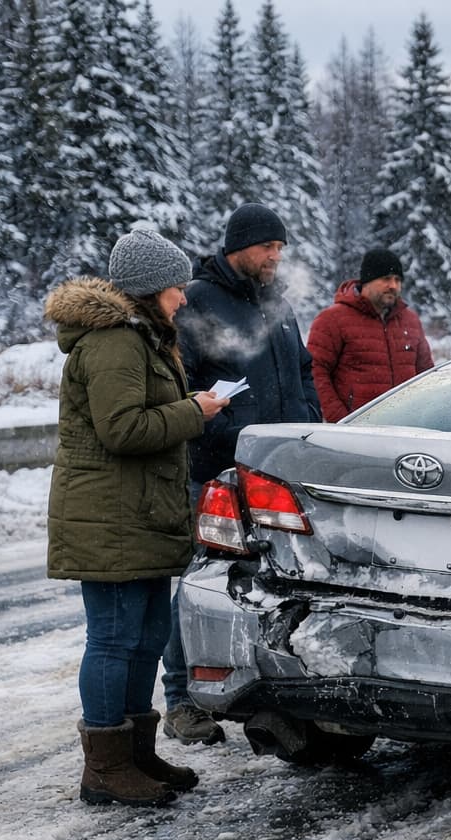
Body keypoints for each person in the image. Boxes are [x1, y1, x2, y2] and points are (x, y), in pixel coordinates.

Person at [44, 229, 231, 805]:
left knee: (146, 634)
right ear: (152, 289)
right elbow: (123, 430)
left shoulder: (144, 338)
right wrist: (194, 411)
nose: (183, 297)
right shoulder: (114, 344)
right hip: (110, 516)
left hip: (138, 512)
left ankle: (135, 754)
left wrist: (186, 407)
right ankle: (103, 767)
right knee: (114, 637)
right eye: (177, 287)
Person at [159, 203, 323, 744]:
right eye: (267, 247)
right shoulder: (199, 302)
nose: (276, 256)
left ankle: (265, 689)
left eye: (280, 248)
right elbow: (178, 382)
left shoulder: (277, 299)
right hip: (218, 469)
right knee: (200, 582)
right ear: (239, 247)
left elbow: (301, 369)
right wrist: (219, 433)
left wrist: (312, 426)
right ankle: (183, 699)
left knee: (276, 580)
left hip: (281, 469)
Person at [307, 248, 434, 421]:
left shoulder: (410, 321)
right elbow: (315, 371)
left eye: (398, 280)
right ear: (367, 281)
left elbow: (426, 374)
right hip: (357, 431)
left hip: (406, 427)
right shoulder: (332, 319)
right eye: (386, 279)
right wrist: (340, 419)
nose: (393, 286)